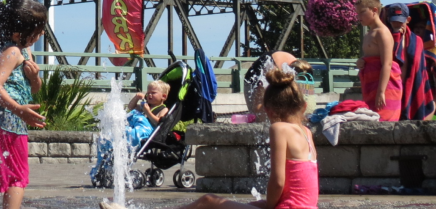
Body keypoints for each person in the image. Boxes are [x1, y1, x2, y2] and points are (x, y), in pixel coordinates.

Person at [102, 67, 318, 209]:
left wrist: (268, 205)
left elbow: (278, 181)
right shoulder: (307, 133)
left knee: (208, 202)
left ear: (269, 109)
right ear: (302, 106)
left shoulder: (279, 128)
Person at [0, 0, 47, 209]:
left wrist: (34, 77)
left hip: (9, 124)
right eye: (37, 32)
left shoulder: (23, 51)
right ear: (19, 34)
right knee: (17, 177)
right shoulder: (12, 51)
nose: (42, 34)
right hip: (6, 124)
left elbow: (35, 89)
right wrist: (19, 110)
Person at [384, 3, 434, 121]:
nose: (397, 24)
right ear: (388, 20)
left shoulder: (417, 41)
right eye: (394, 21)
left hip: (412, 85)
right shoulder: (386, 38)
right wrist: (396, 36)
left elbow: (420, 69)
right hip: (392, 87)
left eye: (400, 21)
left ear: (408, 20)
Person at [356, 0, 401, 121]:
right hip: (370, 84)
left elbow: (387, 64)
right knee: (371, 118)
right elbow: (370, 56)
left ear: (374, 10)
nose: (359, 17)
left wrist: (381, 92)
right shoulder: (369, 34)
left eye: (362, 12)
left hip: (385, 86)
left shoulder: (382, 32)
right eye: (357, 13)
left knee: (383, 119)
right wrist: (362, 61)